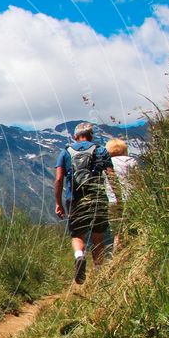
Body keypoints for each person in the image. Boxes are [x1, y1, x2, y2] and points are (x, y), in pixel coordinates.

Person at [54, 122, 118, 284]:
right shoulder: (101, 150)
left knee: (77, 235)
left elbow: (59, 179)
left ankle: (80, 256)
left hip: (74, 199)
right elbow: (111, 176)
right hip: (97, 198)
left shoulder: (65, 152)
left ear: (75, 137)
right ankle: (99, 276)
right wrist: (119, 197)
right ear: (91, 136)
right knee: (98, 237)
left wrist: (58, 203)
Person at [105, 138, 137, 252]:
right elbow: (138, 180)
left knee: (117, 233)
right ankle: (132, 255)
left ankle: (117, 258)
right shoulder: (130, 161)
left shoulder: (106, 165)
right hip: (130, 199)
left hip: (112, 201)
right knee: (133, 229)